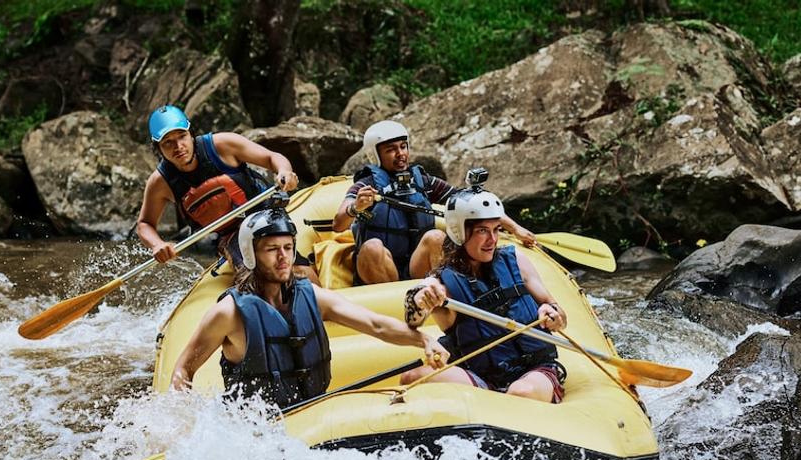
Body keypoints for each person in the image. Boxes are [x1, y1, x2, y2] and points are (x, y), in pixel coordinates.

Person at [172, 208, 449, 407]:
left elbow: (375, 324)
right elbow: (183, 370)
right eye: (272, 249)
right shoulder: (229, 313)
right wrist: (182, 423)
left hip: (312, 414)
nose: (284, 258)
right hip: (256, 430)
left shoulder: (312, 296)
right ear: (250, 254)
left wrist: (423, 339)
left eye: (288, 248)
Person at [401, 186, 568, 404]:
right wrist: (422, 298)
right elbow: (414, 310)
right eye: (482, 231)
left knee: (520, 394)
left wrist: (553, 314)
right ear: (460, 232)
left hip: (535, 369)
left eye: (496, 230)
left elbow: (560, 316)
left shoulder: (515, 259)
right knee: (411, 378)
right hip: (482, 378)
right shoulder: (442, 282)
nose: (492, 239)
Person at [332, 120, 536, 284]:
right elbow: (338, 224)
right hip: (379, 268)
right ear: (375, 154)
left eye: (403, 146)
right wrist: (355, 208)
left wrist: (516, 229)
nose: (401, 153)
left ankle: (441, 292)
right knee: (372, 246)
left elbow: (473, 204)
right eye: (391, 149)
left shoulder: (423, 181)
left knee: (436, 236)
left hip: (417, 265)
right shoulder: (366, 185)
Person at [136, 104, 301, 271]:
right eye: (168, 142)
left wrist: (284, 172)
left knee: (293, 267)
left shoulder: (223, 145)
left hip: (266, 213)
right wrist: (157, 244)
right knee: (254, 274)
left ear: (191, 134)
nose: (178, 146)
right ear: (158, 148)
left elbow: (271, 157)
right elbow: (144, 223)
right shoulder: (160, 182)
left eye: (182, 136)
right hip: (230, 235)